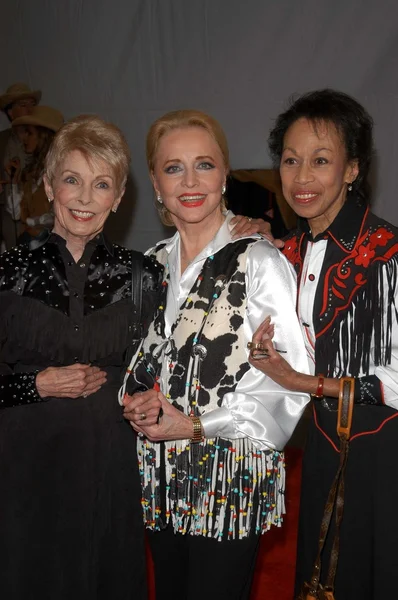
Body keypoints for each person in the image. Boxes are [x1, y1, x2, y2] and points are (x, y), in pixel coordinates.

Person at [121, 109, 310, 600]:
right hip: (159, 475)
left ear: (225, 175)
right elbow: (139, 357)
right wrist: (136, 397)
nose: (190, 181)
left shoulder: (258, 259)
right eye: (173, 167)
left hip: (229, 476)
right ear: (156, 183)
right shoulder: (152, 265)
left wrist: (196, 424)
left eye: (203, 165)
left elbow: (287, 379)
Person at [0, 114, 163, 599]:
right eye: (72, 180)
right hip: (24, 469)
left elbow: (157, 373)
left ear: (117, 199)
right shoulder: (9, 271)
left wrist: (147, 399)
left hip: (106, 470)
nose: (86, 198)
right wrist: (37, 385)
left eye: (101, 184)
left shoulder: (143, 276)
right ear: (49, 187)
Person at [250, 89, 398, 599]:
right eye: (290, 161)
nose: (302, 177)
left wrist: (305, 381)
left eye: (321, 161)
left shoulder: (389, 253)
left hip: (384, 453)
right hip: (321, 447)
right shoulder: (284, 254)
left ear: (352, 169)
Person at [6, 105, 64, 243]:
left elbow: (59, 214)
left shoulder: (60, 173)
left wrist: (32, 221)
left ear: (44, 137)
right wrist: (14, 182)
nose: (25, 138)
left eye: (30, 133)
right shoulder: (31, 173)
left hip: (50, 246)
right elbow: (16, 214)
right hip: (29, 244)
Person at [0, 82, 41, 249]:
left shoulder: (43, 138)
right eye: (23, 105)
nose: (30, 109)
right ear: (10, 112)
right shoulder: (2, 140)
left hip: (39, 212)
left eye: (32, 104)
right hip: (8, 212)